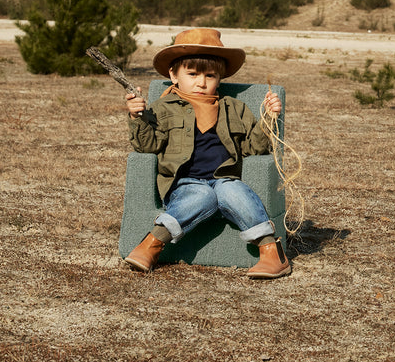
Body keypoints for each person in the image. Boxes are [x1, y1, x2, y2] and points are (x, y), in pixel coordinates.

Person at [122, 27, 291, 279]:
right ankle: (152, 244)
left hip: (225, 179)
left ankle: (271, 252)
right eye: (192, 74)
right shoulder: (163, 108)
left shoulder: (235, 108)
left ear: (219, 78)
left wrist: (268, 118)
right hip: (185, 184)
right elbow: (147, 147)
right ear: (174, 75)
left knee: (233, 191)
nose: (201, 83)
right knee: (200, 195)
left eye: (210, 76)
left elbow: (253, 148)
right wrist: (137, 116)